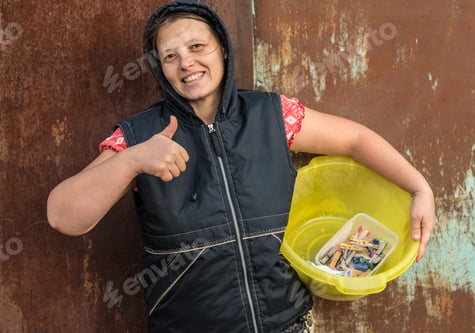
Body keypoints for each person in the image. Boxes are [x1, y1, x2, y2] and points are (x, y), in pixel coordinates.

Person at [47, 1, 436, 332]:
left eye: (198, 46)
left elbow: (355, 140)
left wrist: (420, 189)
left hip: (287, 323)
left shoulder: (272, 115)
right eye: (170, 56)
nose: (187, 63)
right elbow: (63, 216)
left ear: (223, 50)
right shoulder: (140, 135)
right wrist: (132, 160)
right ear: (159, 69)